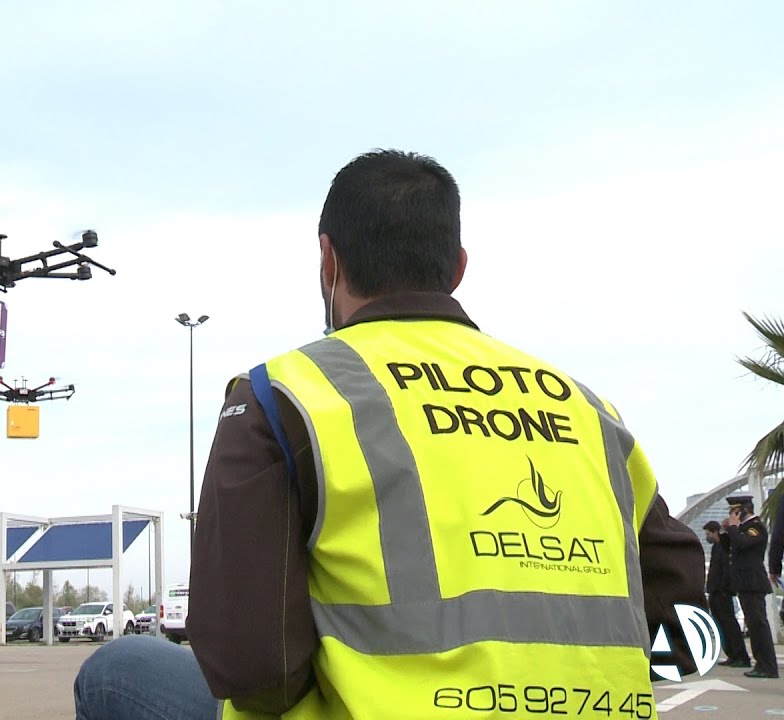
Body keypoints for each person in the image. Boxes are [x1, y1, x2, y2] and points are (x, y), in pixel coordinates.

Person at [72, 149, 708, 720]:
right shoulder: (587, 409)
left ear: (329, 260)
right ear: (457, 268)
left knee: (116, 672)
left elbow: (249, 666)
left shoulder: (283, 394)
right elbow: (678, 578)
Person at [721, 495, 778, 678]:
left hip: (753, 583)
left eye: (734, 511)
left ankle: (768, 666)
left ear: (743, 510)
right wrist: (726, 531)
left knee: (759, 625)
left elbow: (742, 543)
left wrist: (733, 528)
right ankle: (761, 664)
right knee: (753, 626)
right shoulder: (741, 529)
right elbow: (729, 547)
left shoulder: (756, 527)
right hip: (744, 583)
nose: (732, 514)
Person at [704, 519, 750, 667]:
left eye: (708, 534)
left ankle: (740, 655)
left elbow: (726, 568)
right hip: (714, 592)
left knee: (730, 625)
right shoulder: (715, 548)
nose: (707, 537)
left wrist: (724, 588)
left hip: (723, 592)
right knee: (720, 625)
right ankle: (731, 653)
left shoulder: (724, 546)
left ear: (715, 532)